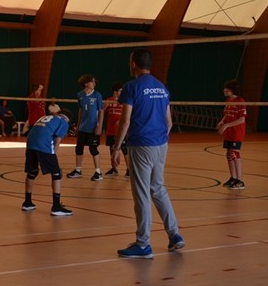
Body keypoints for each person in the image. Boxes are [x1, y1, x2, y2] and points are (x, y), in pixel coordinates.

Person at [113, 48, 184, 259]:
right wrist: (158, 139)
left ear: (133, 63)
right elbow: (169, 122)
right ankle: (175, 235)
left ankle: (143, 244)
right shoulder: (161, 87)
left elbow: (125, 121)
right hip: (161, 144)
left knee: (142, 193)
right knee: (158, 189)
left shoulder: (131, 86)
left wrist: (116, 148)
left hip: (141, 144)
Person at [21, 111, 73, 216]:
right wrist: (54, 161)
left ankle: (27, 202)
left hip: (30, 142)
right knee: (56, 173)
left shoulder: (46, 117)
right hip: (43, 142)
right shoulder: (64, 122)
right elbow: (57, 141)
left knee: (32, 171)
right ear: (68, 119)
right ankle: (56, 207)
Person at [67, 75, 104, 181]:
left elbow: (101, 111)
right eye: (93, 82)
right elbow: (81, 110)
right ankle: (78, 170)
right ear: (86, 83)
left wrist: (99, 126)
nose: (95, 84)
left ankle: (98, 172)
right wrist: (78, 125)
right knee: (79, 148)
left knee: (93, 148)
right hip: (83, 127)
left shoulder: (97, 95)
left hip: (93, 127)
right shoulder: (80, 95)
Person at [217, 80, 247, 189]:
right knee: (229, 154)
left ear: (233, 89)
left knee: (235, 153)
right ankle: (233, 178)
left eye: (227, 88)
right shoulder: (228, 100)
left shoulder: (240, 101)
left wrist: (226, 125)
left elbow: (242, 119)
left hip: (237, 132)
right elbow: (227, 114)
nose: (225, 90)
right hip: (229, 133)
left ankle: (240, 181)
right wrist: (222, 122)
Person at [103, 83, 129, 177]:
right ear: (115, 91)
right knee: (112, 149)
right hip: (111, 130)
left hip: (121, 131)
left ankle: (129, 169)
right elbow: (102, 113)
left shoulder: (125, 101)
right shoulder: (109, 101)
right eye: (120, 91)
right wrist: (104, 107)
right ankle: (114, 169)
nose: (122, 92)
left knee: (125, 149)